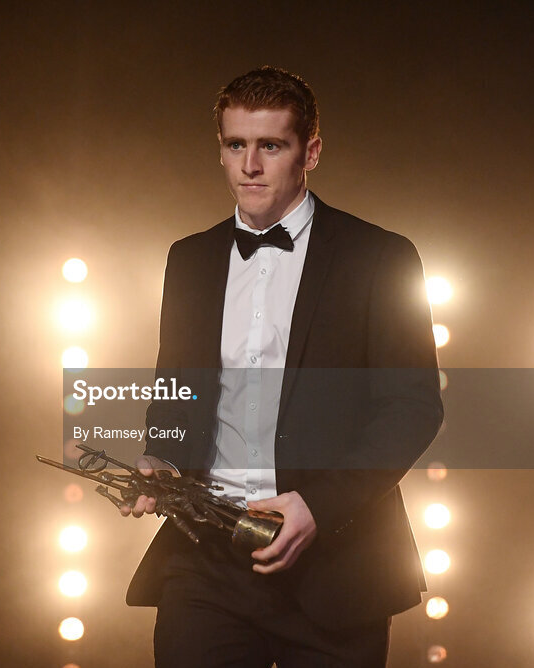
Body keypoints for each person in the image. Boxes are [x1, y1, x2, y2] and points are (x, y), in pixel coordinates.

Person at [119, 66, 444, 667]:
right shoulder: (187, 259)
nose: (250, 165)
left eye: (271, 145)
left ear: (310, 151)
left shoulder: (381, 257)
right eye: (235, 144)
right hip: (206, 558)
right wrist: (160, 453)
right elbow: (176, 391)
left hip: (336, 568)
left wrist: (319, 506)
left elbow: (414, 406)